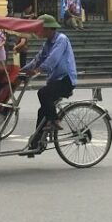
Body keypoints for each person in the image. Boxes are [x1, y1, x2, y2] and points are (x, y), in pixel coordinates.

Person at [22, 14, 77, 153]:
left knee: (43, 93)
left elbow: (53, 59)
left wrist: (38, 70)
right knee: (42, 110)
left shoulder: (61, 40)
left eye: (40, 29)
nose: (38, 32)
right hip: (55, 80)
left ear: (48, 29)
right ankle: (37, 143)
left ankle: (55, 120)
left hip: (66, 80)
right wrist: (22, 71)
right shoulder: (47, 43)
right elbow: (38, 58)